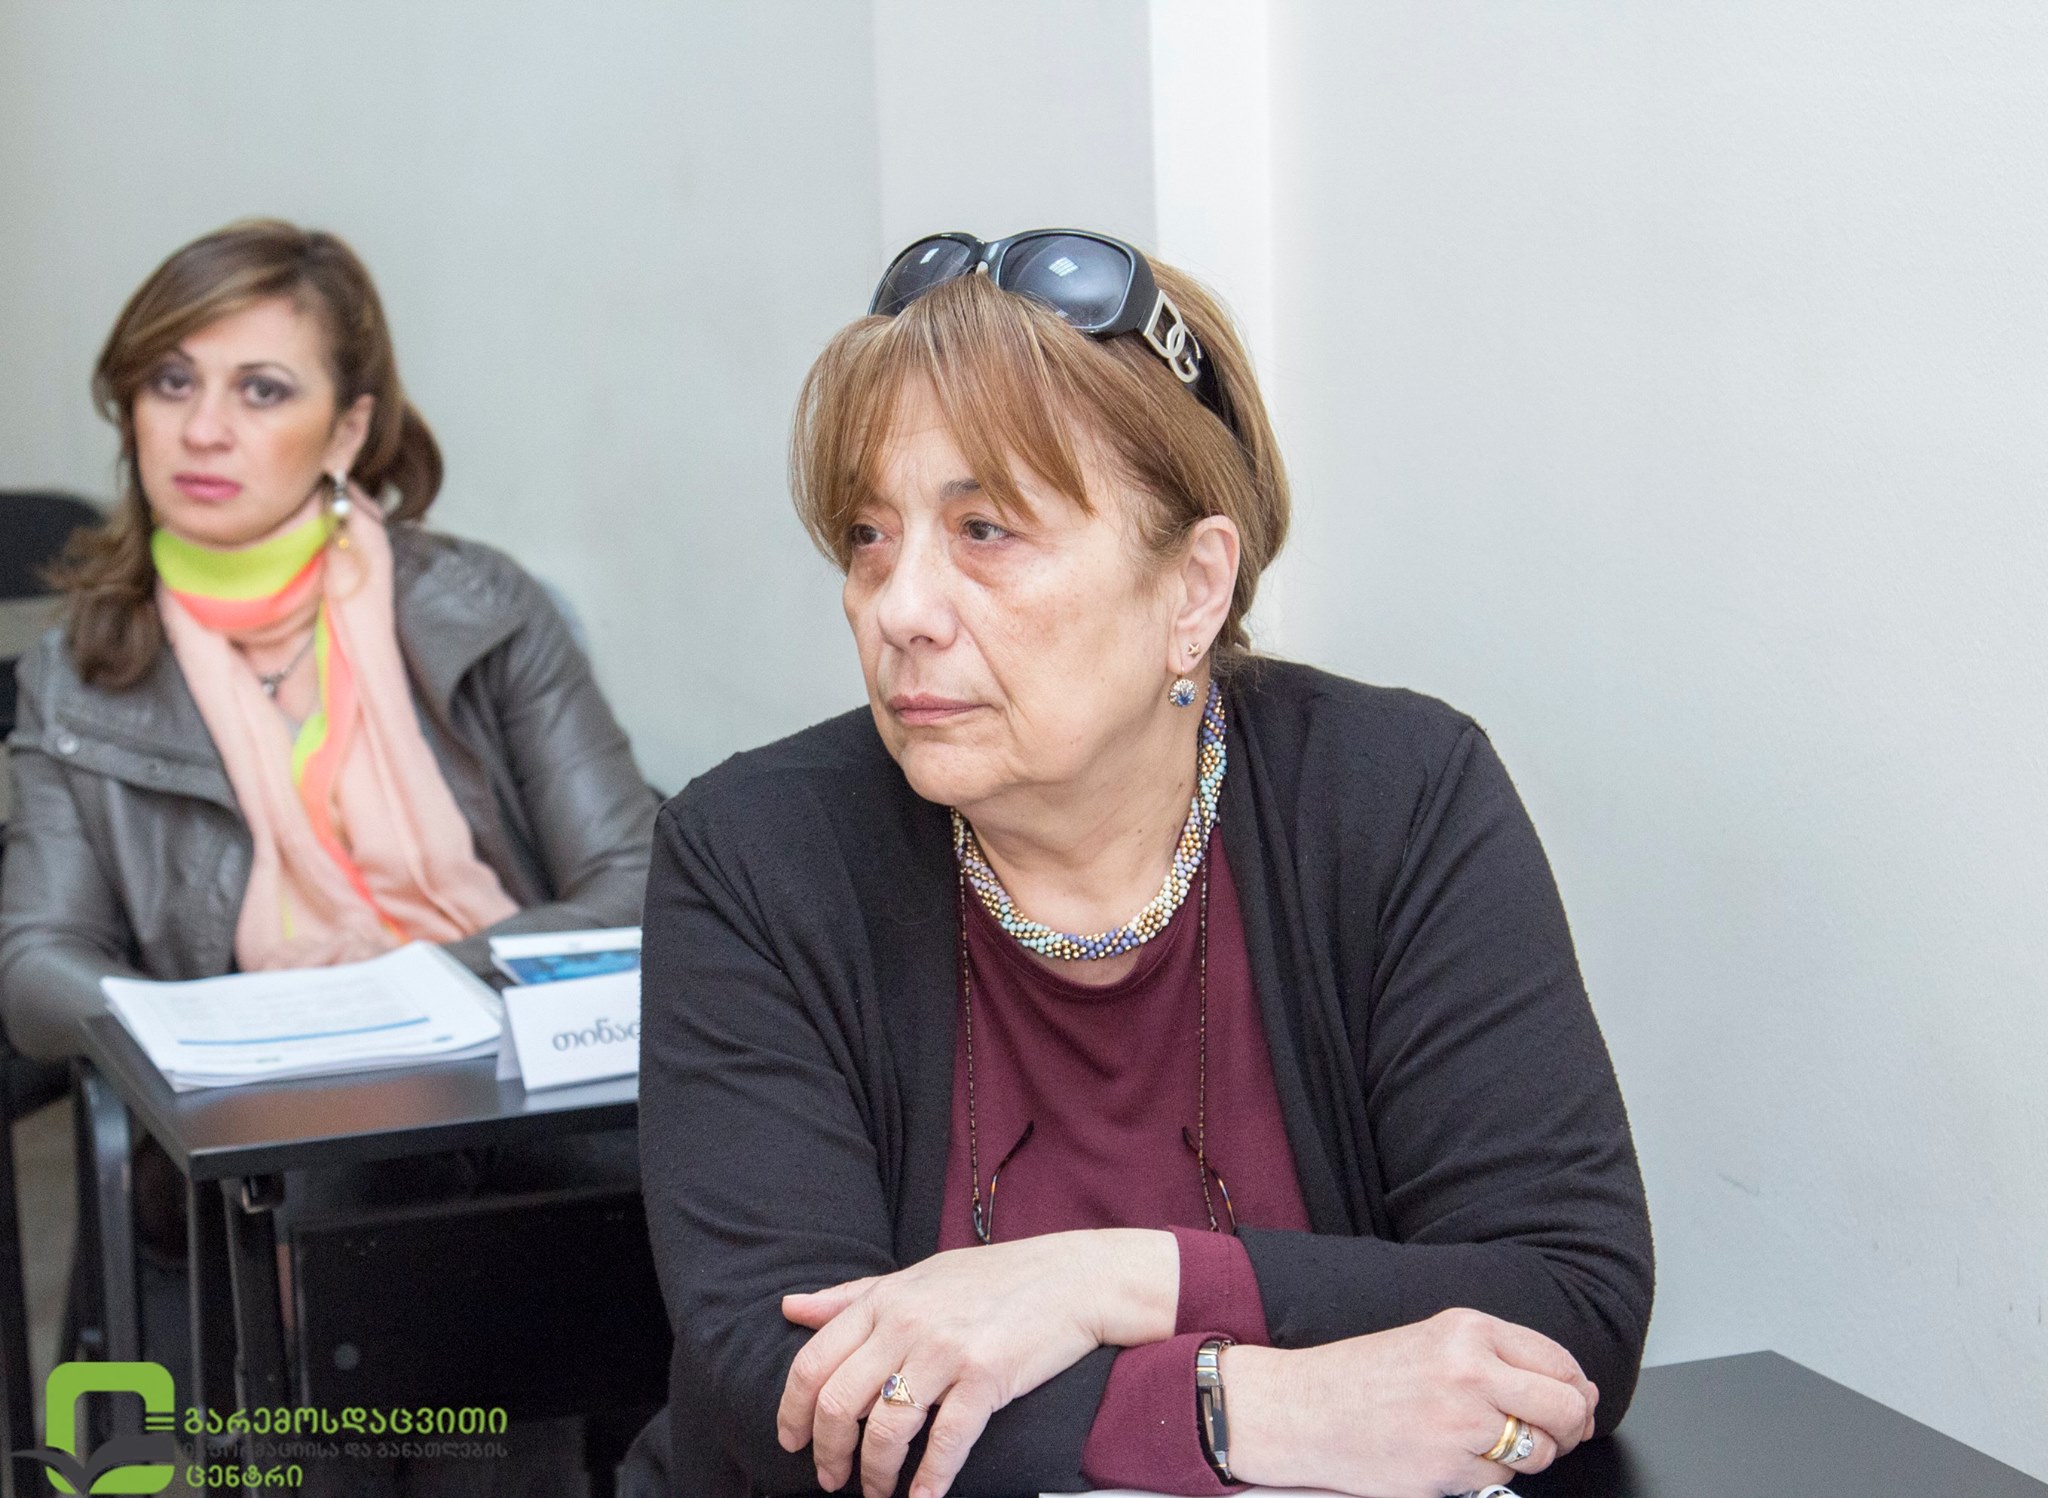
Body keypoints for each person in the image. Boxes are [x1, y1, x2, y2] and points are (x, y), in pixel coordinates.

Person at [634, 229, 1655, 1498]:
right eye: (868, 536)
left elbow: (1566, 1304)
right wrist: (1243, 1408)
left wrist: (1103, 1279)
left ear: (1192, 589)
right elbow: (787, 1393)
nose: (898, 608)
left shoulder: (1395, 794)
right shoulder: (753, 852)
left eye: (984, 530)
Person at [0, 219, 655, 1493]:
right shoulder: (80, 672)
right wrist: (243, 1027)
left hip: (512, 1067)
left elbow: (632, 880)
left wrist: (405, 991)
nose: (203, 429)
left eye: (261, 390)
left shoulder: (484, 607)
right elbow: (35, 966)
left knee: (599, 1178)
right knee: (358, 1165)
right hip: (261, 1120)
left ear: (347, 430)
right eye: (171, 381)